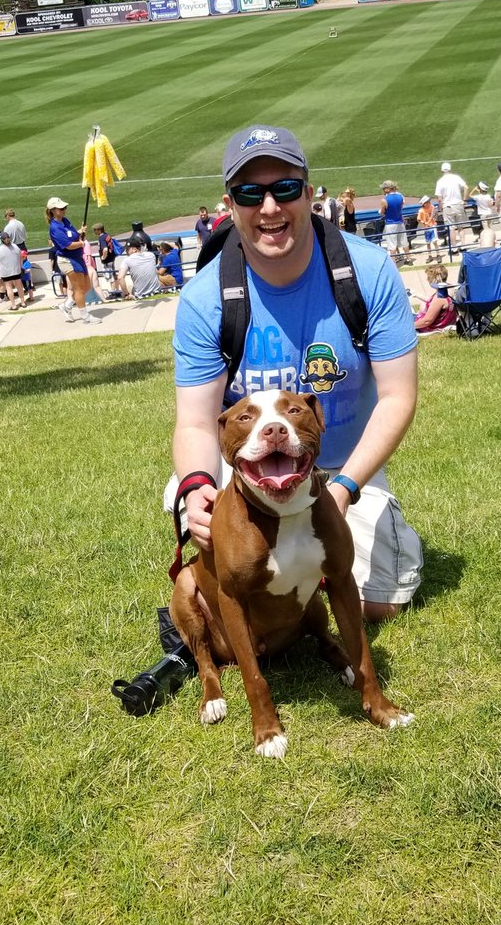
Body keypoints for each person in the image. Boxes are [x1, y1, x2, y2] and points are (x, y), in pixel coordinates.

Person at [171, 123, 422, 625]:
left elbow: (398, 397)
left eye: (284, 188)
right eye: (250, 193)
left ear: (308, 193)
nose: (269, 208)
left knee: (377, 606)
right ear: (231, 204)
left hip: (343, 471)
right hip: (249, 473)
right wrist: (196, 486)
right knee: (233, 589)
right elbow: (197, 423)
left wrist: (343, 488)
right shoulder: (204, 297)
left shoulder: (367, 271)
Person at [46, 197, 94, 323]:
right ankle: (85, 316)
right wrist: (81, 244)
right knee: (79, 289)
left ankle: (66, 306)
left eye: (64, 208)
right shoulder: (55, 227)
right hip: (68, 260)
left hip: (77, 258)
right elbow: (67, 245)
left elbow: (71, 234)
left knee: (87, 286)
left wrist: (79, 232)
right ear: (53, 210)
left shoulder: (65, 221)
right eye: (61, 208)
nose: (64, 210)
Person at [413, 265, 457, 335]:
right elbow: (431, 301)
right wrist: (416, 295)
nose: (427, 279)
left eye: (428, 277)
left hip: (432, 327)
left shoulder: (439, 298)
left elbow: (427, 321)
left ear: (433, 279)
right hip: (445, 323)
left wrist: (409, 327)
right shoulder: (447, 290)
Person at [435, 162, 469, 248]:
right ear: (450, 169)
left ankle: (454, 248)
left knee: (451, 228)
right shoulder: (456, 178)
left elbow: (439, 199)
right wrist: (464, 200)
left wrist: (441, 209)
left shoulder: (440, 181)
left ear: (442, 170)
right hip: (458, 204)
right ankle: (463, 246)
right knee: (461, 227)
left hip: (447, 206)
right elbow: (466, 187)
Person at [0, 232, 26, 309]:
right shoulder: (15, 246)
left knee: (9, 288)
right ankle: (23, 303)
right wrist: (21, 266)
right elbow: (21, 257)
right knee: (19, 287)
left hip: (5, 272)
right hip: (16, 270)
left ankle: (14, 305)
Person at [379, 180, 409, 263]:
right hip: (400, 222)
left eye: (384, 188)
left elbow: (382, 212)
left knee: (392, 244)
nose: (383, 190)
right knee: (404, 241)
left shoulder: (384, 200)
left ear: (388, 189)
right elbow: (401, 208)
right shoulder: (400, 197)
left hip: (390, 223)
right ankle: (408, 258)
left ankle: (393, 261)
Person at [416, 196, 441, 262]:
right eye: (426, 202)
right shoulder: (421, 211)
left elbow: (436, 214)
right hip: (426, 228)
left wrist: (434, 218)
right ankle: (430, 256)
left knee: (435, 242)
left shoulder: (432, 207)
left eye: (429, 202)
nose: (428, 203)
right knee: (428, 243)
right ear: (423, 204)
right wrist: (424, 222)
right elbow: (418, 219)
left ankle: (438, 255)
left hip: (433, 226)